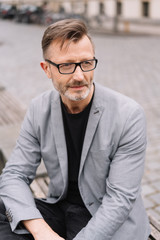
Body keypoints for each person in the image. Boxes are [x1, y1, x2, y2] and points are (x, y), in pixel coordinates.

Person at [0, 19, 150, 240]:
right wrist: (41, 231)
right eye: (66, 65)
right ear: (47, 69)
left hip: (104, 217)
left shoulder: (128, 115)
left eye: (86, 63)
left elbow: (119, 201)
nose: (79, 76)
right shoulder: (39, 109)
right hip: (61, 208)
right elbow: (14, 174)